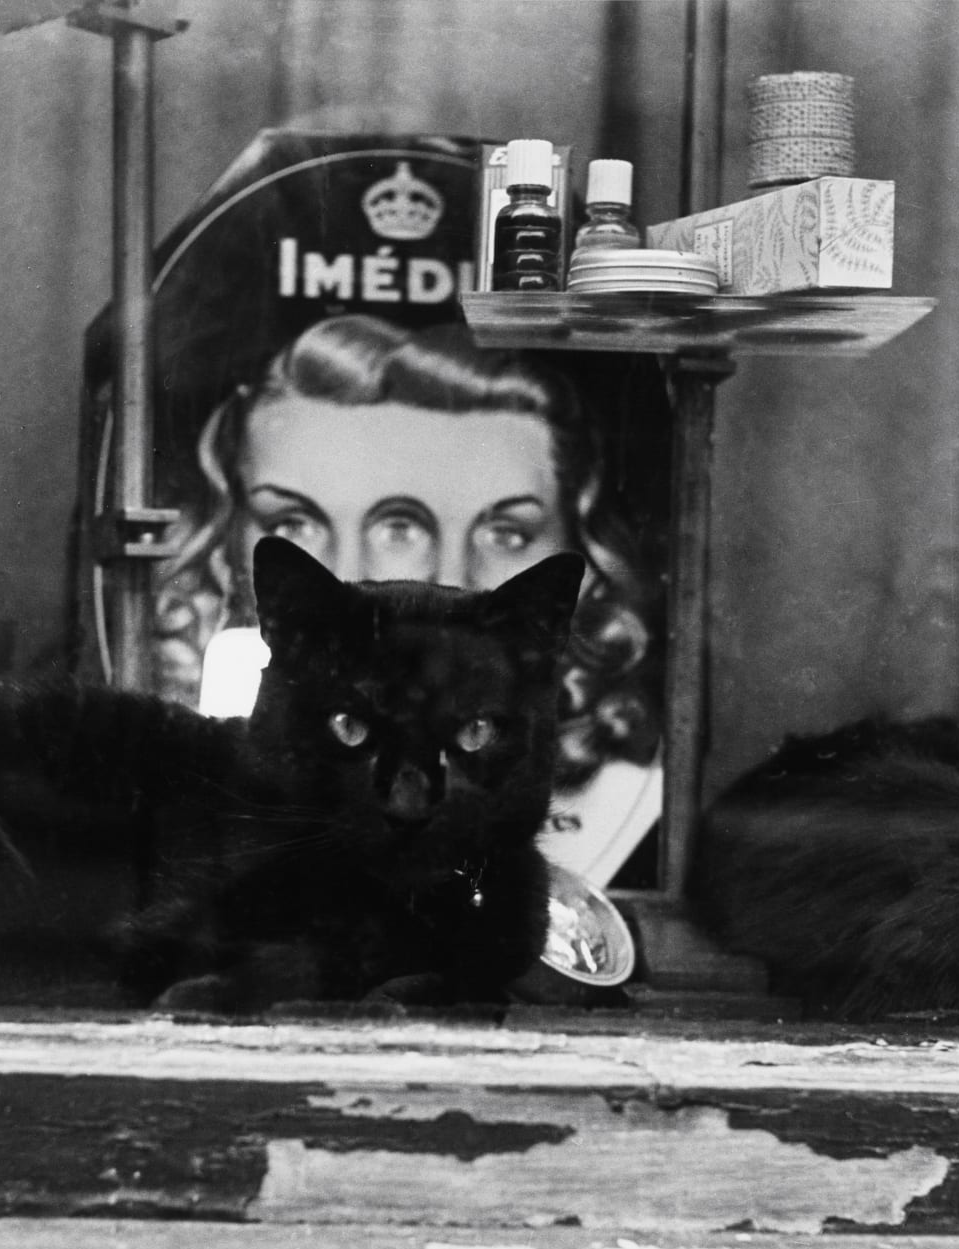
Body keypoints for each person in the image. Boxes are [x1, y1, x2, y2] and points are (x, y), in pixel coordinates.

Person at [151, 315, 663, 881]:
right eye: (294, 521)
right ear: (223, 537)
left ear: (583, 552)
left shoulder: (641, 805)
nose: (351, 571)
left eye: (506, 534)